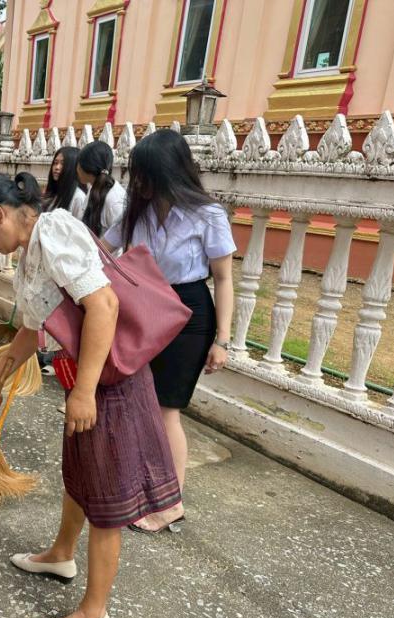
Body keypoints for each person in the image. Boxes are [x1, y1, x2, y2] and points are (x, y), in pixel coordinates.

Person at [0, 171, 181, 618]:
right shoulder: (32, 252)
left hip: (108, 385)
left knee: (106, 500)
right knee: (80, 475)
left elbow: (104, 305)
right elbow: (32, 328)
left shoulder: (56, 231)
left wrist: (84, 392)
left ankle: (93, 614)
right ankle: (62, 553)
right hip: (87, 381)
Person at [103, 129, 235, 532]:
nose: (138, 182)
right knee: (139, 403)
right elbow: (102, 249)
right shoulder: (137, 211)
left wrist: (223, 340)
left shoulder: (207, 214)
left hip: (189, 315)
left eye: (146, 174)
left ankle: (171, 503)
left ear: (168, 172)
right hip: (146, 308)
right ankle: (146, 487)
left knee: (166, 409)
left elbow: (224, 279)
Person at [77, 140, 126, 238]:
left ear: (87, 166)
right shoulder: (94, 188)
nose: (77, 168)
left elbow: (121, 239)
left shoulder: (114, 200)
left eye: (79, 163)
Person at [43, 147, 86, 220]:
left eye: (62, 164)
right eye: (55, 163)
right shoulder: (53, 193)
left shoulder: (78, 198)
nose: (57, 167)